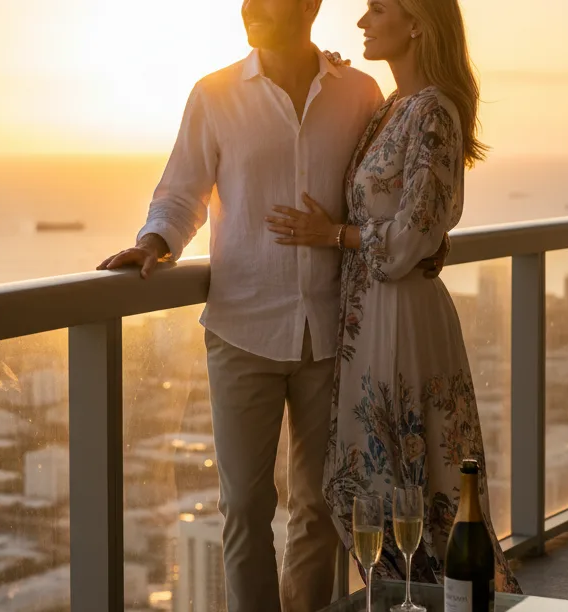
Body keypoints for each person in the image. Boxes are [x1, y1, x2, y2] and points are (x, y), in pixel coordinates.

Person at [97, 1, 446, 609]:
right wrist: (154, 242)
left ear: (310, 5)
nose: (250, 6)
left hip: (335, 334)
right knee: (244, 508)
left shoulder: (360, 92)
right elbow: (181, 193)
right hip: (242, 329)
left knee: (320, 505)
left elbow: (386, 193)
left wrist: (424, 240)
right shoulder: (213, 94)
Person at [264, 0, 523, 593]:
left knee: (409, 486)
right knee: (370, 486)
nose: (361, 22)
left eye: (377, 8)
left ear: (417, 23)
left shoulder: (434, 110)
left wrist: (333, 235)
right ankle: (412, 598)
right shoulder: (389, 107)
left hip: (402, 323)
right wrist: (322, 72)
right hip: (369, 320)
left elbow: (412, 237)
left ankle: (437, 600)